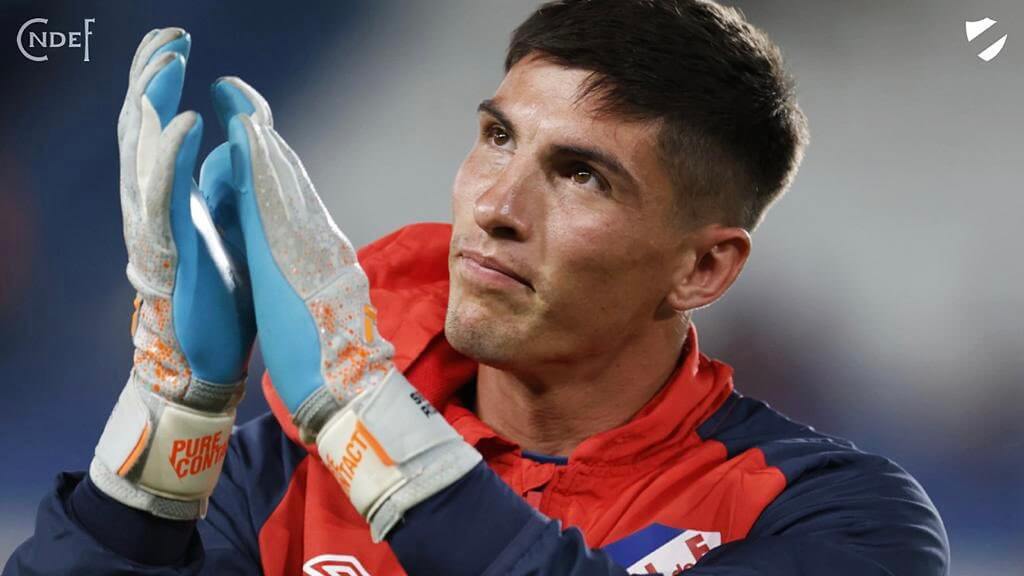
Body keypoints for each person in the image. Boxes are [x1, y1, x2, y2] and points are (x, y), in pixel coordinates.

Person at [5, 1, 949, 574]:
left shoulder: (842, 518)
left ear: (702, 268)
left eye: (582, 175)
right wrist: (169, 415)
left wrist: (366, 412)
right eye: (498, 137)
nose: (496, 205)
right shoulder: (278, 477)